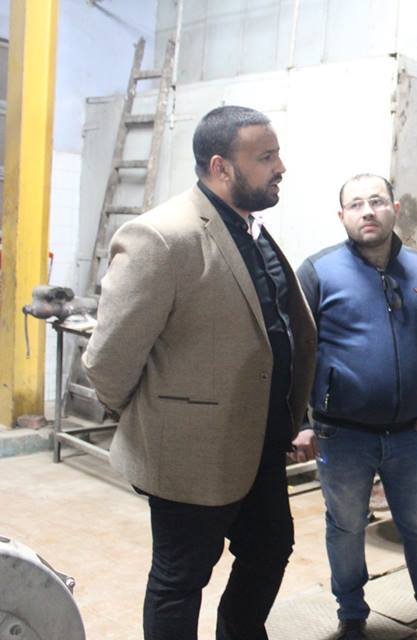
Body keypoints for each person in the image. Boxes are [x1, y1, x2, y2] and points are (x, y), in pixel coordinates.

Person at [83, 105, 317, 640]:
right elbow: (108, 359)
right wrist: (154, 420)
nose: (281, 167)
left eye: (277, 154)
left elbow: (275, 330)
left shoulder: (251, 231)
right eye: (266, 157)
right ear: (220, 166)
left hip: (260, 444)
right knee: (181, 578)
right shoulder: (162, 237)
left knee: (270, 549)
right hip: (190, 452)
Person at [294, 174, 417, 640]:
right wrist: (301, 422)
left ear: (395, 209)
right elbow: (295, 352)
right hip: (341, 434)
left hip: (412, 433)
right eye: (355, 204)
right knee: (346, 527)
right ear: (341, 215)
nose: (367, 211)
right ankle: (351, 616)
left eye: (376, 201)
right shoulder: (318, 272)